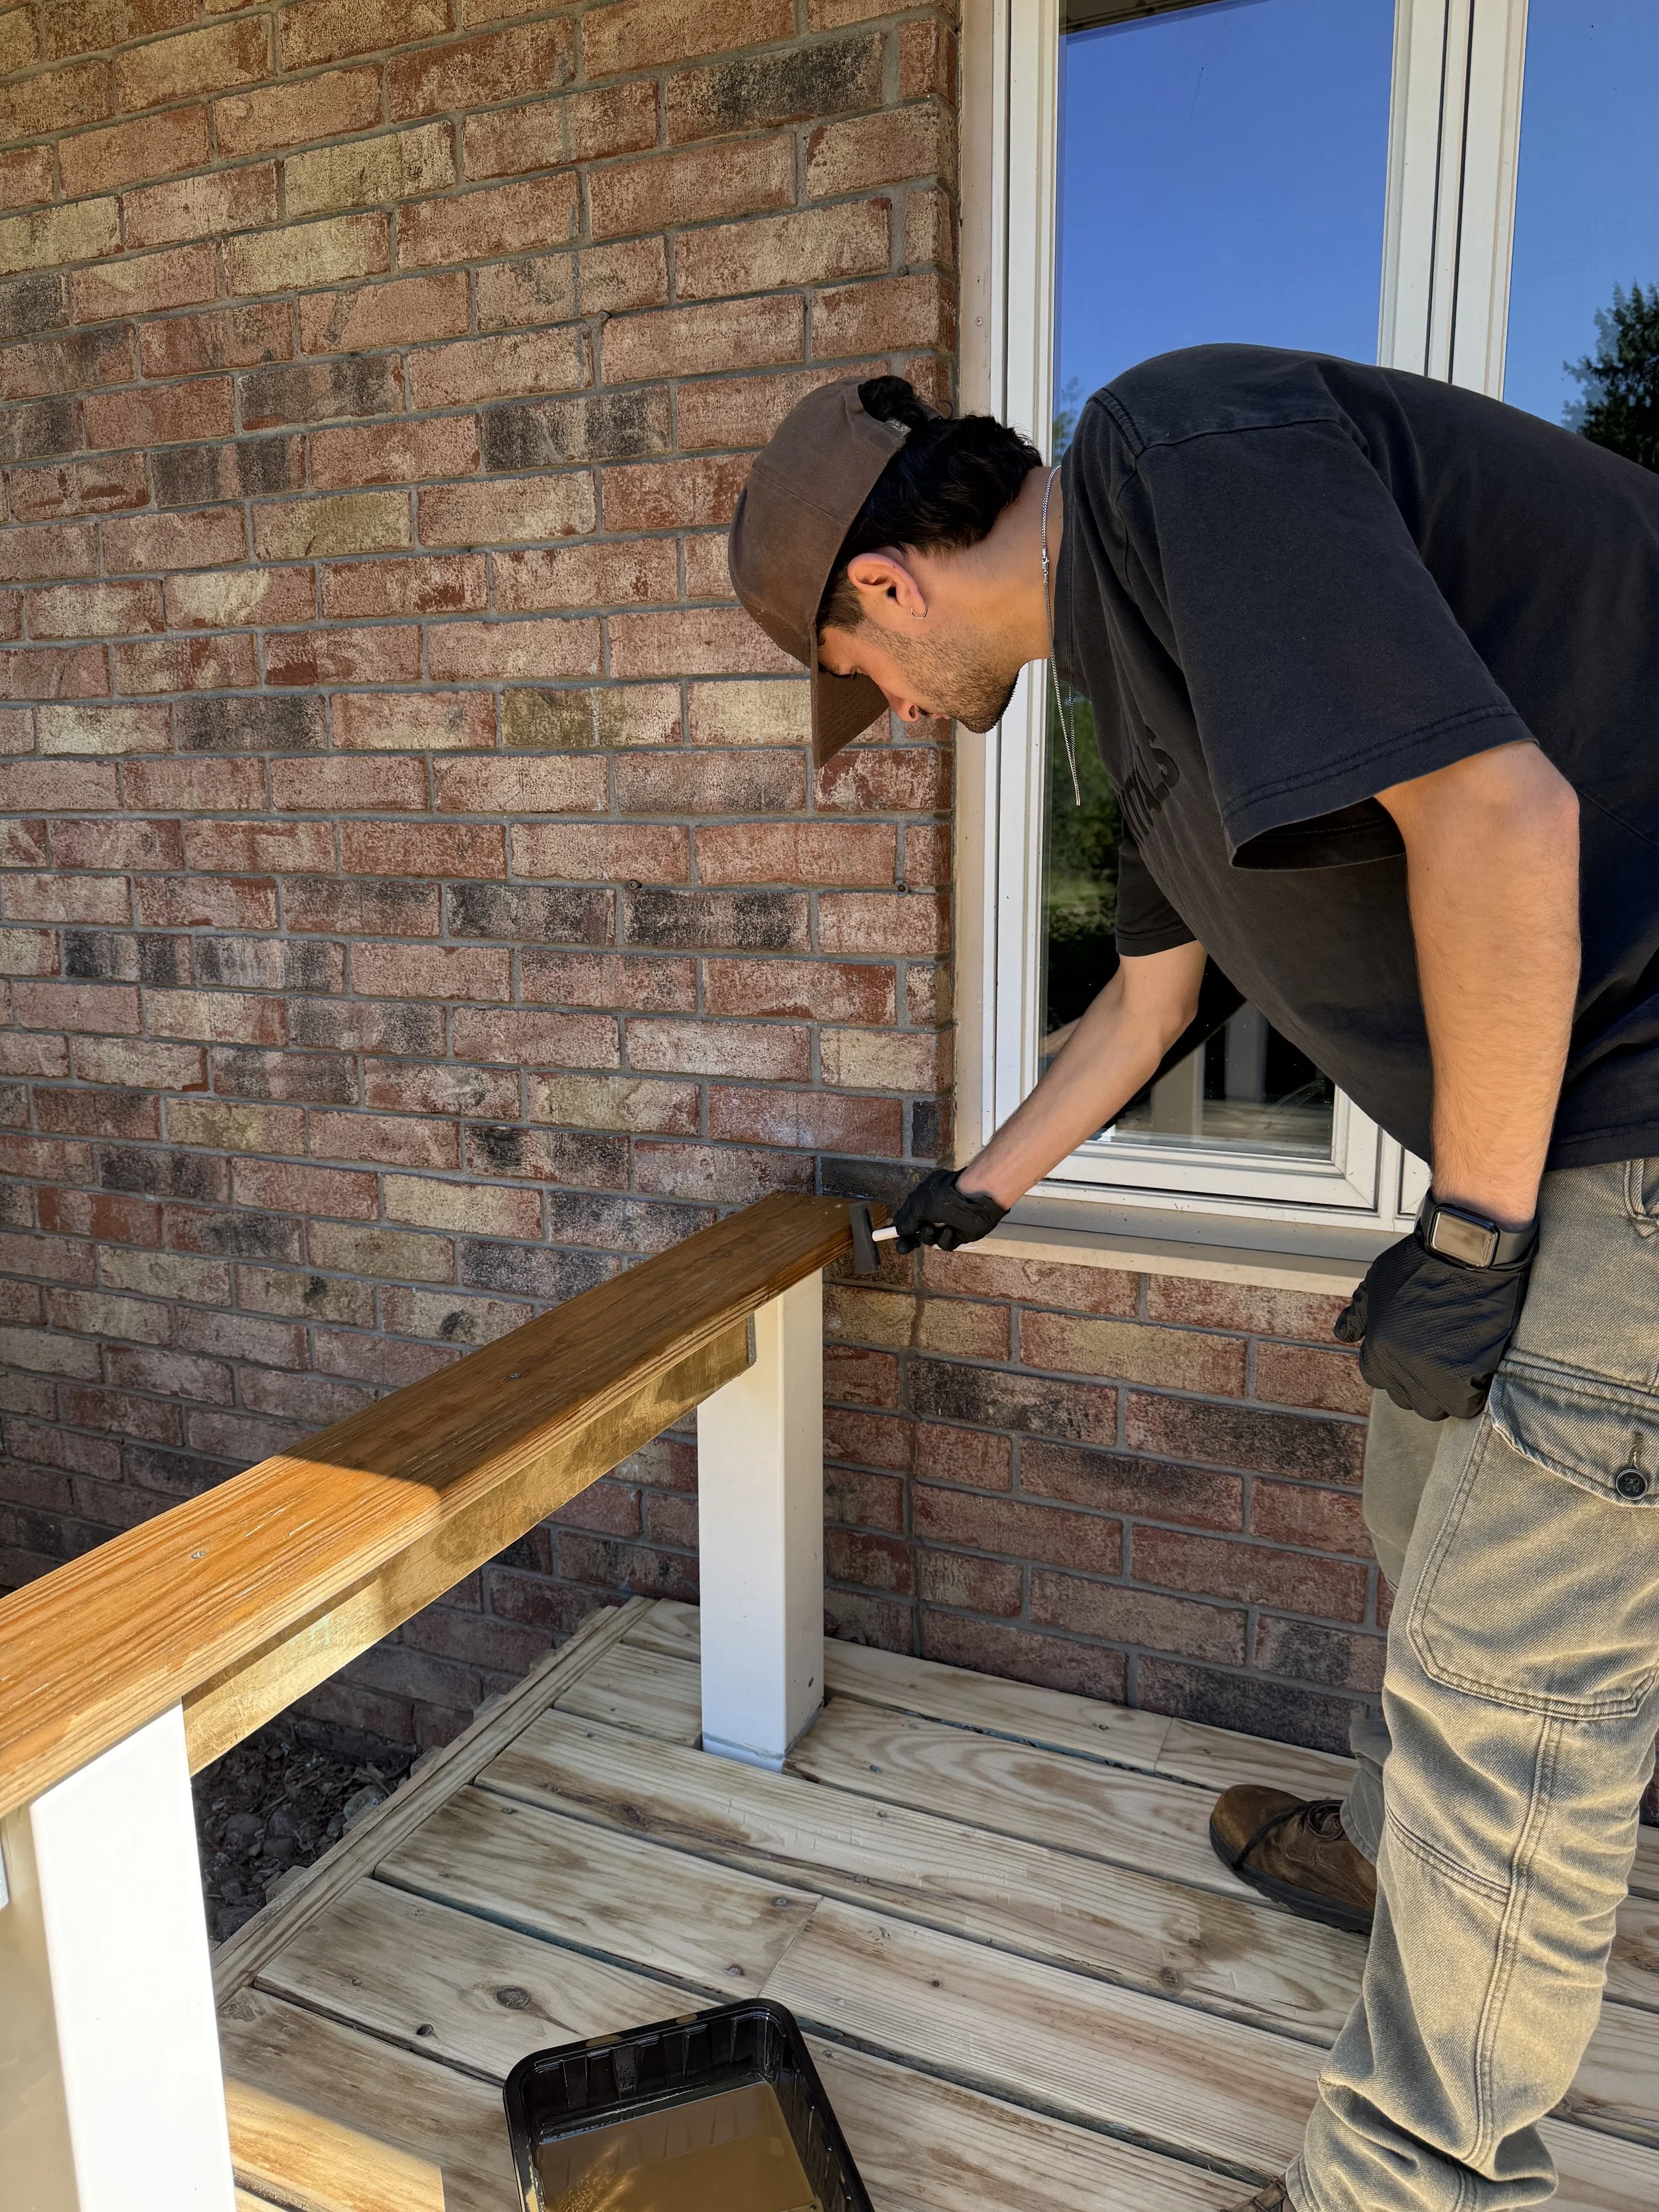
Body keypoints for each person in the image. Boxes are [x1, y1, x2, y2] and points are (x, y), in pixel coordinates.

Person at [727, 352, 1659, 2212]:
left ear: (885, 588)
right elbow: (1150, 1001)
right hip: (1556, 1135)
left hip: (1632, 1131)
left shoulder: (1171, 451)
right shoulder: (1121, 705)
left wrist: (1466, 1239)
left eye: (870, 686)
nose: (898, 715)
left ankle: (1414, 2183)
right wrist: (975, 1190)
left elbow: (1500, 820)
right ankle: (1399, 1864)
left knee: (1514, 1683)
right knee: (1418, 1497)